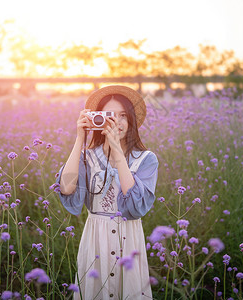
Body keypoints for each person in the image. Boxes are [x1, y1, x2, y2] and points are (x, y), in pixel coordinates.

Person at [56, 85, 158, 300]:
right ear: (97, 119)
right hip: (95, 239)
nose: (117, 122)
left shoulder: (146, 159)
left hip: (128, 238)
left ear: (131, 119)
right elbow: (66, 188)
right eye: (109, 116)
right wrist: (79, 139)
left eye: (122, 115)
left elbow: (136, 206)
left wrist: (117, 152)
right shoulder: (88, 157)